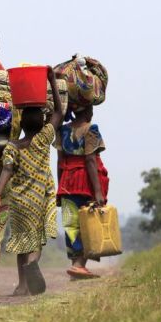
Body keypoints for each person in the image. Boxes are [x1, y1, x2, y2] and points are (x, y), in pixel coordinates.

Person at [0, 66, 63, 295]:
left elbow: (6, 170)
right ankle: (33, 263)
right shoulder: (43, 140)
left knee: (21, 241)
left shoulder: (14, 146)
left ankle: (22, 285)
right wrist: (52, 81)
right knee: (36, 240)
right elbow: (59, 113)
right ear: (42, 125)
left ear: (21, 125)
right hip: (40, 199)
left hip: (19, 201)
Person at [55, 105, 109, 279]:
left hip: (67, 182)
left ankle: (76, 267)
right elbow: (90, 160)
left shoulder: (62, 130)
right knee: (89, 223)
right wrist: (98, 192)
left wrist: (60, 187)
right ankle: (79, 265)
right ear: (87, 111)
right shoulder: (91, 129)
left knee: (72, 224)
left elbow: (59, 161)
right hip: (84, 182)